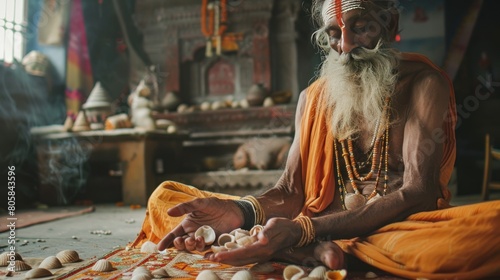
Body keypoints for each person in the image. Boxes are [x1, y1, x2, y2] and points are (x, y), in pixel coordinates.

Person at [131, 0, 500, 278]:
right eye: (335, 33)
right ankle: (307, 249)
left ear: (391, 23)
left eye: (361, 27)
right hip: (316, 223)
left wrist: (306, 229)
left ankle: (307, 249)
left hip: (396, 231)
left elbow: (418, 192)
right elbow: (291, 191)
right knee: (167, 199)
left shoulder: (423, 84)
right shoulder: (314, 98)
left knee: (492, 227)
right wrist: (240, 212)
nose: (347, 46)